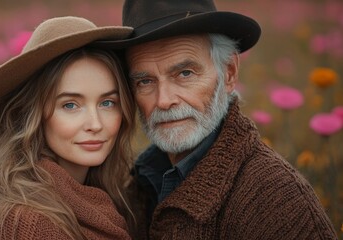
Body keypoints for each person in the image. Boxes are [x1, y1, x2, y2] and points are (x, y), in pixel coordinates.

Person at [93, 0, 338, 239]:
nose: (164, 100)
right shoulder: (134, 185)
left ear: (229, 73)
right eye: (145, 81)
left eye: (185, 73)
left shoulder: (276, 199)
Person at [0, 16, 137, 240]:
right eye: (70, 105)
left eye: (107, 103)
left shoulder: (112, 196)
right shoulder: (33, 224)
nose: (95, 124)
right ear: (34, 115)